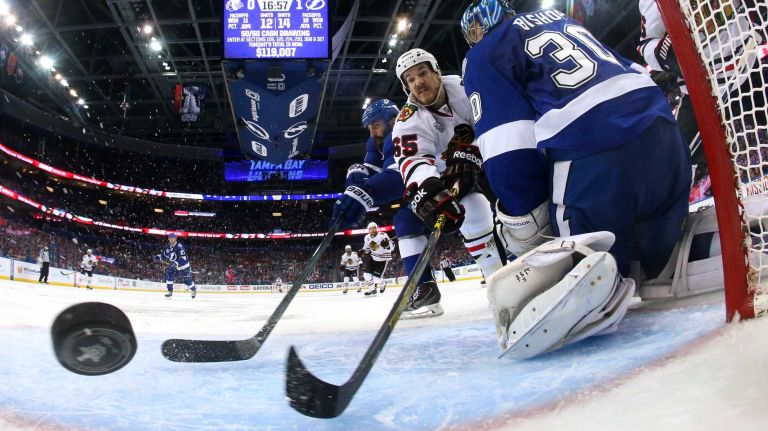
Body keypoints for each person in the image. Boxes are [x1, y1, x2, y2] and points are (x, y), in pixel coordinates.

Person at [458, 1, 700, 358]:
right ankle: (670, 257)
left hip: (596, 157)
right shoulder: (558, 19)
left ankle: (596, 281)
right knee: (656, 259)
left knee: (586, 266)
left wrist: (525, 216)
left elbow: (507, 145)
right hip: (664, 138)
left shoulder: (484, 53)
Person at [392, 48, 506, 318]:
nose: (418, 82)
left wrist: (473, 151)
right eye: (410, 79)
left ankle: (517, 264)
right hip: (442, 177)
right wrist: (430, 188)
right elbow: (413, 161)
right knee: (475, 207)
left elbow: (495, 120)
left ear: (437, 72)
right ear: (406, 86)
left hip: (487, 155)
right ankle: (498, 282)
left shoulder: (466, 86)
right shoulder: (407, 120)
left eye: (422, 73)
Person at [153, 233, 196, 298]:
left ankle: (193, 289)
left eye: (173, 238)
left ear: (175, 238)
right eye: (170, 238)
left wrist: (176, 263)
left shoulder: (180, 246)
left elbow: (183, 258)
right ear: (168, 239)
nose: (171, 239)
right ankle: (170, 291)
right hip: (174, 266)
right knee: (169, 275)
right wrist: (159, 257)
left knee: (187, 281)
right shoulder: (168, 246)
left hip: (184, 267)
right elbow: (165, 255)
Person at [360, 222, 394, 296]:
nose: (372, 230)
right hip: (373, 257)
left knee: (376, 279)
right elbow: (367, 248)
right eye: (370, 229)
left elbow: (392, 246)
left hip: (382, 260)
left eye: (374, 228)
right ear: (368, 230)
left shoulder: (383, 235)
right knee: (366, 275)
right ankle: (372, 289)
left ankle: (383, 283)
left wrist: (387, 245)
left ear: (376, 228)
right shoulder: (367, 237)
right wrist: (363, 251)